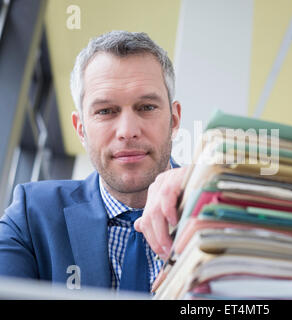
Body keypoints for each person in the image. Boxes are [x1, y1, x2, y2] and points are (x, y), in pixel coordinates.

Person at [0, 31, 185, 293]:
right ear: (81, 129)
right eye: (106, 111)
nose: (127, 131)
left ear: (174, 120)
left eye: (146, 107)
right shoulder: (31, 216)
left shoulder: (219, 208)